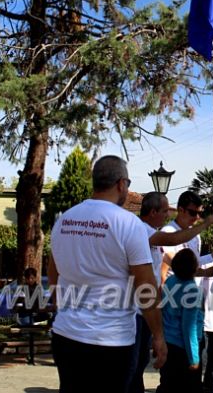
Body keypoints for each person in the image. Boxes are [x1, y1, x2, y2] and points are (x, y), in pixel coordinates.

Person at [47, 155, 166, 392]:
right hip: (111, 340)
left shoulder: (65, 220)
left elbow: (53, 273)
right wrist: (159, 336)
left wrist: (65, 308)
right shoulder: (128, 224)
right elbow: (146, 288)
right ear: (122, 184)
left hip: (66, 335)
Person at [128, 192, 213, 393]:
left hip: (152, 306)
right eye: (164, 211)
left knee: (141, 363)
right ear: (152, 212)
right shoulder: (145, 231)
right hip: (143, 308)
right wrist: (205, 224)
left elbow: (175, 263)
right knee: (137, 364)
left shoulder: (152, 230)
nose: (167, 214)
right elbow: (173, 247)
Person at [157, 248, 204, 393]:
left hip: (168, 341)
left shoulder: (170, 281)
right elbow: (188, 328)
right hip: (183, 348)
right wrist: (194, 358)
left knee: (167, 383)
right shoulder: (191, 290)